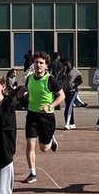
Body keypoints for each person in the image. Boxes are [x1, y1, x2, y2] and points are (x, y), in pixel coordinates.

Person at [19, 51, 65, 183]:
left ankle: (51, 139)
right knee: (30, 144)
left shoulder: (50, 79)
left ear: (46, 66)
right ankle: (32, 173)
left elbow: (62, 96)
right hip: (32, 115)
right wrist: (15, 96)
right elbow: (25, 89)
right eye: (36, 62)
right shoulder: (30, 78)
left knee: (44, 148)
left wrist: (51, 106)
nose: (38, 65)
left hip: (46, 117)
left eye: (41, 63)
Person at [62, 57, 84, 129]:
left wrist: (74, 84)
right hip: (65, 91)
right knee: (68, 107)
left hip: (73, 91)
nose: (66, 66)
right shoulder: (63, 71)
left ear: (71, 63)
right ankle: (72, 123)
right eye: (64, 64)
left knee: (69, 107)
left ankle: (67, 123)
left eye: (67, 64)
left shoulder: (75, 71)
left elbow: (80, 80)